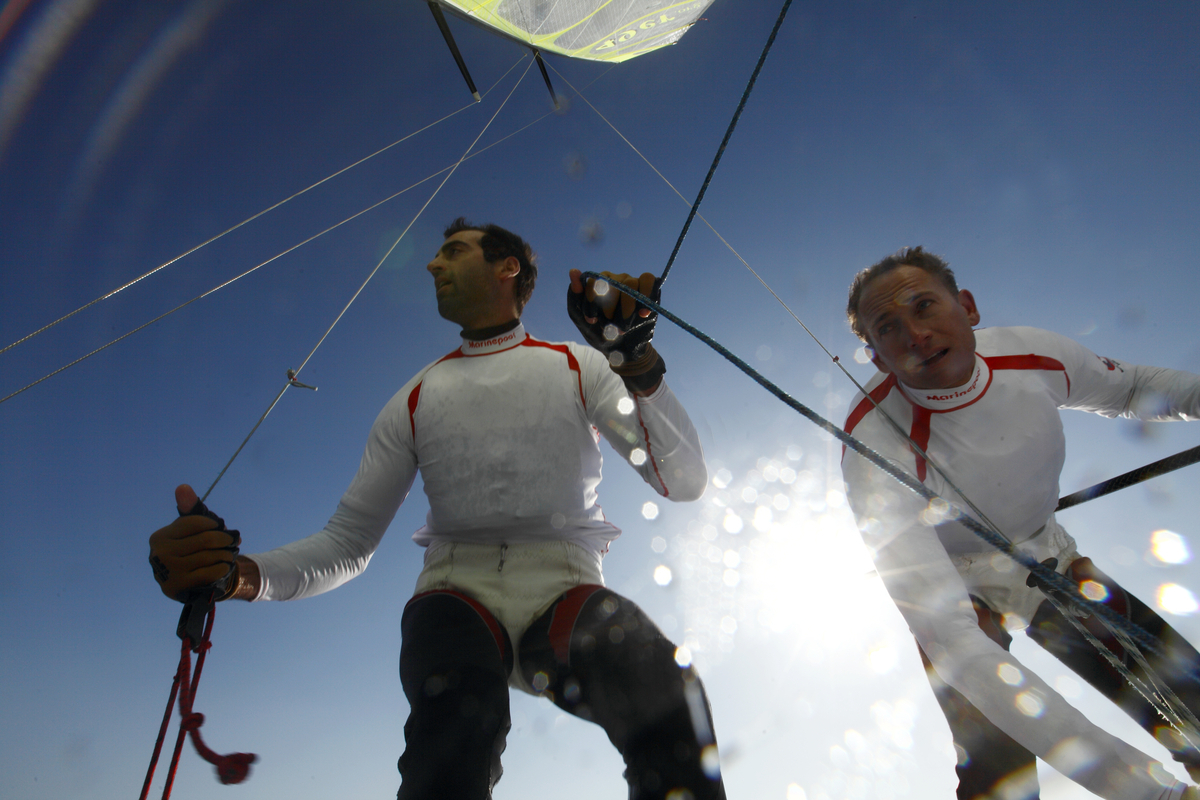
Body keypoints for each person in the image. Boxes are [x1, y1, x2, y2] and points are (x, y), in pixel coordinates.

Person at [148, 218, 727, 800]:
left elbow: (680, 480)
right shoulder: (414, 397)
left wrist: (636, 360)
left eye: (452, 251)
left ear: (509, 269)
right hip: (457, 598)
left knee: (668, 697)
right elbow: (348, 543)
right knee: (452, 732)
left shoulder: (581, 365)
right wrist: (236, 576)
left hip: (565, 596)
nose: (431, 263)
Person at [840, 246, 1200, 800]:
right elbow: (955, 638)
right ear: (878, 357)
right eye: (888, 327)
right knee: (997, 775)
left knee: (1189, 702)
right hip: (952, 587)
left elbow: (1130, 389)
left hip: (1044, 551)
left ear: (967, 307)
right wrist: (1153, 794)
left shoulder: (1034, 354)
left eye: (925, 306)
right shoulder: (871, 445)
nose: (915, 334)